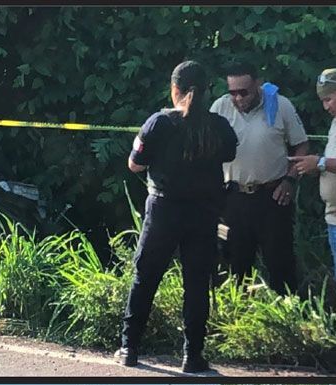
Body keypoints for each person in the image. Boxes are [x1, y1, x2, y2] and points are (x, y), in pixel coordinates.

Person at [116, 60, 238, 373]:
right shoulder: (220, 127)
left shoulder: (159, 123)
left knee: (145, 277)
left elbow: (135, 164)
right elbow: (229, 155)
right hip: (204, 212)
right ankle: (192, 356)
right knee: (197, 284)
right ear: (208, 91)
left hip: (163, 210)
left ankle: (129, 348)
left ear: (175, 89)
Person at [210, 62, 309, 295]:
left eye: (243, 91)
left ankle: (287, 317)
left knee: (280, 262)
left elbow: (301, 145)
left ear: (257, 84)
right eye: (232, 92)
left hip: (272, 196)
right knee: (233, 261)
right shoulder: (220, 107)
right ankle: (237, 318)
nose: (238, 98)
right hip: (233, 197)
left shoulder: (279, 105)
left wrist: (290, 179)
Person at [288, 68, 336, 279]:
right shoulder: (335, 124)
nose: (325, 106)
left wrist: (321, 163)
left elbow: (326, 163)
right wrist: (315, 167)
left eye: (329, 99)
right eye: (322, 101)